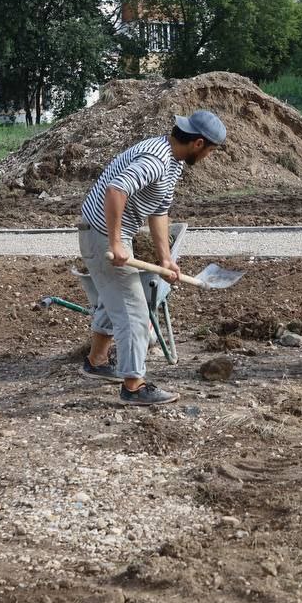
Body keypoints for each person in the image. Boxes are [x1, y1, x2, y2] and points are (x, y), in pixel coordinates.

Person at [78, 110, 228, 405]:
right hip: (101, 234)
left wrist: (165, 259)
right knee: (134, 311)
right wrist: (116, 242)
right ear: (198, 143)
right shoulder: (156, 160)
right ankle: (133, 387)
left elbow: (159, 210)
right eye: (210, 150)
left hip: (108, 231)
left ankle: (96, 362)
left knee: (116, 299)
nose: (209, 156)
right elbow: (116, 190)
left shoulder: (173, 162)